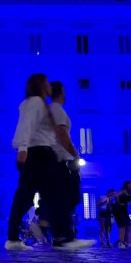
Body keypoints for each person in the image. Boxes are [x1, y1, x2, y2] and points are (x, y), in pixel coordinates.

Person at [5, 73, 56, 251]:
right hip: (36, 155)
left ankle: (50, 230)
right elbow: (24, 126)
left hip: (43, 154)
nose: (50, 86)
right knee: (25, 197)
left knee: (36, 195)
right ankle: (16, 236)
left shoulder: (40, 104)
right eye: (47, 83)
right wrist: (23, 149)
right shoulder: (34, 102)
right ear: (41, 85)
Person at [45, 81, 94, 250]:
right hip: (62, 160)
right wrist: (75, 154)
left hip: (54, 161)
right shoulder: (57, 110)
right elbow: (62, 134)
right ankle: (65, 236)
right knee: (70, 197)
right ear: (61, 93)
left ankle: (60, 236)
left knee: (62, 198)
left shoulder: (50, 111)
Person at [113, 180, 131, 248]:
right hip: (118, 210)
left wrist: (127, 203)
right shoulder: (123, 191)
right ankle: (121, 243)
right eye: (130, 184)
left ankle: (128, 242)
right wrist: (119, 202)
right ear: (127, 185)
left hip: (124, 210)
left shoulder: (130, 193)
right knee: (122, 226)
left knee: (129, 226)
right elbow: (116, 195)